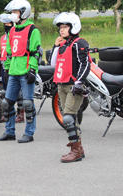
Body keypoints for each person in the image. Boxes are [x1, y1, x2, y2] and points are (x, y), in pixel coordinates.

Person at [0, 0, 41, 143]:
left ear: (23, 13)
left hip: (26, 72)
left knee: (27, 104)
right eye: (12, 12)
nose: (13, 14)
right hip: (13, 71)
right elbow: (8, 52)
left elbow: (36, 52)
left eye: (15, 12)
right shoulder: (12, 30)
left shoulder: (33, 30)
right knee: (7, 103)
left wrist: (33, 69)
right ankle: (9, 132)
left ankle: (29, 133)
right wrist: (6, 69)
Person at [51, 12, 90, 163]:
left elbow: (85, 64)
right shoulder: (63, 44)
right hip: (62, 86)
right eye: (60, 27)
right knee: (71, 120)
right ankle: (78, 148)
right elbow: (53, 64)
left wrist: (79, 82)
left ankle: (76, 151)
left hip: (74, 86)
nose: (62, 30)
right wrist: (56, 46)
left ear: (73, 27)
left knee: (67, 118)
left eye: (65, 27)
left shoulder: (80, 43)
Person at [0, 13, 24, 123]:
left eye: (8, 23)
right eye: (4, 24)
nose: (6, 25)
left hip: (13, 66)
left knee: (17, 92)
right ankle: (7, 114)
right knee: (6, 92)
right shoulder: (3, 37)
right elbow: (2, 52)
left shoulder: (15, 36)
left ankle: (21, 114)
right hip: (4, 66)